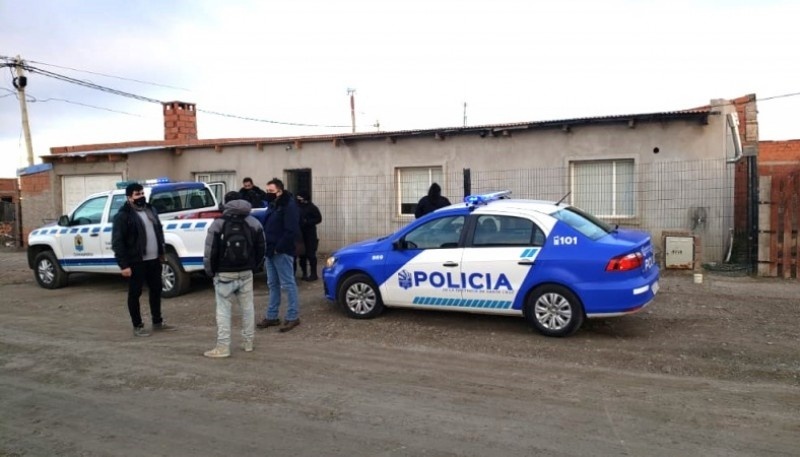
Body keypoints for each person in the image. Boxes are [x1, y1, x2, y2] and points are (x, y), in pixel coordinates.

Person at [202, 191, 266, 358]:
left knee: (223, 310)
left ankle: (223, 347)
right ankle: (248, 342)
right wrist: (254, 267)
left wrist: (210, 271)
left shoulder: (218, 224)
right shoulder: (254, 222)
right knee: (247, 308)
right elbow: (262, 248)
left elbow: (210, 251)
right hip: (246, 272)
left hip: (224, 274)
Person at [112, 183, 177, 337]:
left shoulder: (150, 209)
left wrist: (162, 252)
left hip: (154, 259)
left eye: (142, 193)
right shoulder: (123, 216)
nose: (141, 196)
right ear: (129, 197)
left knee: (156, 290)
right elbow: (118, 242)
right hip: (136, 261)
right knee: (135, 293)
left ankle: (157, 321)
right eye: (137, 194)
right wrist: (124, 265)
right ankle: (138, 325)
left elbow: (158, 231)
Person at [256, 178, 302, 332]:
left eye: (271, 191)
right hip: (270, 250)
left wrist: (279, 248)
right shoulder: (273, 205)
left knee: (288, 284)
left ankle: (292, 316)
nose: (268, 194)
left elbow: (292, 230)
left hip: (281, 251)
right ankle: (272, 316)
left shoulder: (288, 206)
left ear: (280, 191)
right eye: (267, 191)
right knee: (272, 284)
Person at [296, 191, 322, 281]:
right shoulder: (297, 207)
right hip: (300, 234)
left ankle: (313, 274)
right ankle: (304, 273)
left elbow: (318, 218)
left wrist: (308, 222)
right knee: (302, 256)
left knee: (311, 255)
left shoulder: (312, 207)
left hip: (310, 234)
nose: (299, 200)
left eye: (300, 198)